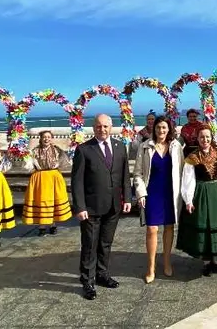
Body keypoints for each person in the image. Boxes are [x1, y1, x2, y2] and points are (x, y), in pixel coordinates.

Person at [71, 114, 133, 300]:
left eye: (106, 126)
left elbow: (125, 176)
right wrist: (80, 206)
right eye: (99, 126)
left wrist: (128, 199)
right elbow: (77, 182)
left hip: (114, 205)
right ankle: (87, 281)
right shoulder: (84, 150)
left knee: (106, 243)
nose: (102, 130)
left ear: (111, 127)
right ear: (94, 127)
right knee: (90, 245)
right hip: (91, 207)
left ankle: (102, 274)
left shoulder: (120, 147)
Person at [176, 125, 217, 276]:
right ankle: (206, 261)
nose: (205, 140)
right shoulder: (192, 157)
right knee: (204, 225)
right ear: (197, 139)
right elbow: (188, 179)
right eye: (202, 137)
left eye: (207, 137)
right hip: (201, 193)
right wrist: (188, 200)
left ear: (211, 138)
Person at [134, 116, 184, 284]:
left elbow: (183, 170)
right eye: (158, 128)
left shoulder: (176, 147)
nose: (161, 131)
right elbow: (138, 173)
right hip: (152, 194)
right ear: (153, 129)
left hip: (170, 193)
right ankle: (151, 267)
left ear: (169, 129)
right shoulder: (145, 146)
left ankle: (167, 262)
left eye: (164, 128)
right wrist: (141, 193)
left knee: (169, 227)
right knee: (152, 229)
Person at [23, 130, 73, 236]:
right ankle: (42, 226)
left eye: (48, 137)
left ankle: (52, 225)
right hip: (40, 177)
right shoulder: (34, 151)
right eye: (44, 137)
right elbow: (28, 165)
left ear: (51, 138)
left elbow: (66, 161)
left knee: (53, 202)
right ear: (40, 138)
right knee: (41, 201)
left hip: (54, 177)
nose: (46, 139)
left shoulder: (57, 150)